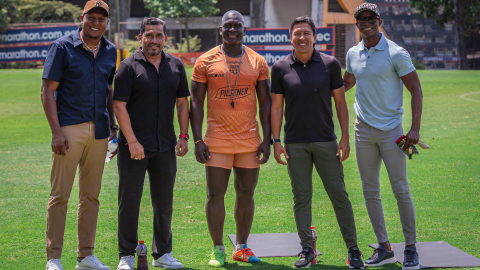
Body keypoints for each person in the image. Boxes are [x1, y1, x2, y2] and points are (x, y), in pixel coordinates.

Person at [270, 16, 364, 269]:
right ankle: (306, 250)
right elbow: (276, 108)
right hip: (294, 143)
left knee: (339, 195)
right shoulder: (279, 68)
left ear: (315, 36)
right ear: (290, 37)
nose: (302, 37)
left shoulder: (330, 64)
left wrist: (344, 137)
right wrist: (276, 141)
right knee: (301, 198)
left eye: (306, 33)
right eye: (297, 33)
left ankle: (353, 249)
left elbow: (341, 103)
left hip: (326, 141)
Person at [343, 3, 423, 270]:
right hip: (362, 130)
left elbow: (417, 91)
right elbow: (348, 81)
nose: (366, 23)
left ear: (378, 20)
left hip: (392, 131)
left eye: (370, 18)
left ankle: (410, 248)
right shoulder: (353, 53)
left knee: (401, 189)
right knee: (370, 191)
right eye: (361, 19)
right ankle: (385, 247)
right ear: (357, 24)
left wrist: (414, 130)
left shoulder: (396, 53)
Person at [189, 10, 271, 268]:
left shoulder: (258, 61)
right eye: (228, 25)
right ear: (220, 29)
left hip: (249, 139)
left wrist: (267, 138)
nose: (232, 29)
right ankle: (218, 249)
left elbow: (266, 101)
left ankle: (242, 247)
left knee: (246, 193)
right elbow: (196, 102)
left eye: (237, 25)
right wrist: (198, 140)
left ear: (244, 30)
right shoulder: (205, 60)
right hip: (217, 139)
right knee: (216, 194)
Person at [40, 1, 116, 269]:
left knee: (91, 196)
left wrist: (114, 129)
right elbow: (47, 91)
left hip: (100, 130)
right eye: (91, 17)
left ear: (107, 23)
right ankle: (54, 258)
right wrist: (56, 132)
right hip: (69, 128)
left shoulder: (111, 50)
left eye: (101, 19)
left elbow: (109, 92)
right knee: (60, 195)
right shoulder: (62, 47)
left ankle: (85, 255)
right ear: (81, 18)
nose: (96, 23)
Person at [113, 17, 189, 270]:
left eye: (158, 35)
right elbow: (119, 106)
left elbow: (182, 103)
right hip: (133, 147)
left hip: (166, 145)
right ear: (141, 38)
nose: (154, 40)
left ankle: (163, 253)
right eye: (149, 35)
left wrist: (183, 136)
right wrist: (132, 142)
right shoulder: (127, 67)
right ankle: (126, 255)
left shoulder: (176, 66)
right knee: (130, 201)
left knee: (163, 202)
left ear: (165, 39)